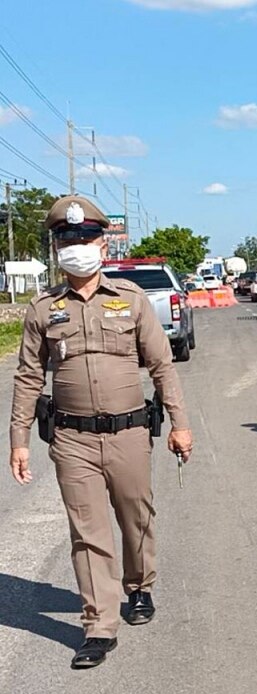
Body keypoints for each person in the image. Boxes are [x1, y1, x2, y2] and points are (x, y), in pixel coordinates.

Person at [8, 195, 192, 669]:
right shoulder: (42, 309)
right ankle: (98, 625)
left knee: (135, 517)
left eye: (86, 237)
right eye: (68, 238)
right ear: (57, 247)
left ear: (102, 245)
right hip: (72, 440)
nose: (77, 246)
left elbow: (162, 366)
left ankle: (140, 585)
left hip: (130, 433)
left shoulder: (128, 299)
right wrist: (19, 441)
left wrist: (180, 425)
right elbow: (29, 376)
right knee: (88, 532)